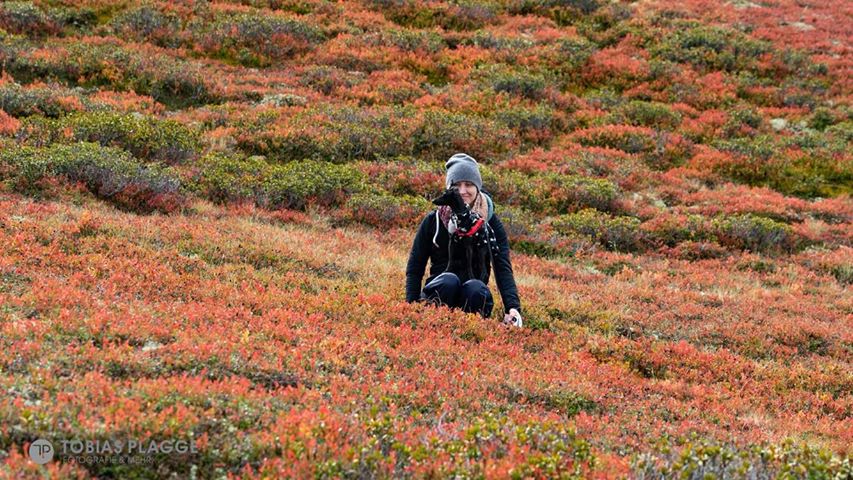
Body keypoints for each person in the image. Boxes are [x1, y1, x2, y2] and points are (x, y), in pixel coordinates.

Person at [405, 153, 523, 327]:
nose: (462, 191)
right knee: (449, 281)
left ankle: (471, 328)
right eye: (456, 185)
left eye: (468, 184)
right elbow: (415, 267)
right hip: (440, 292)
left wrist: (513, 308)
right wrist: (410, 308)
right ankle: (436, 324)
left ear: (477, 187)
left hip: (475, 297)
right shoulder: (434, 220)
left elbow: (502, 268)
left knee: (475, 287)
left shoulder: (491, 223)